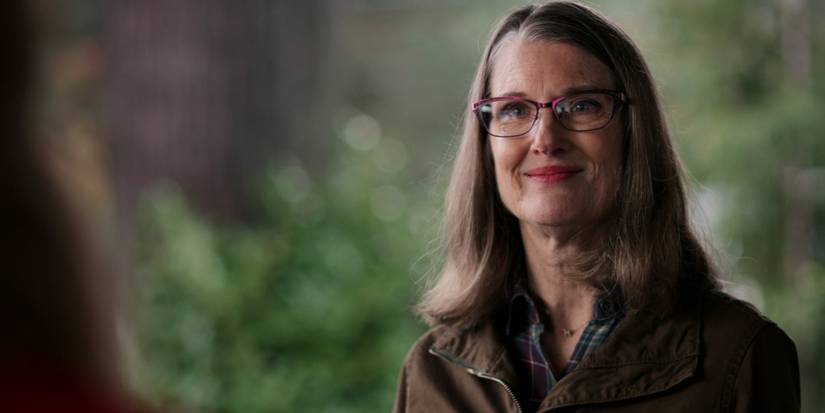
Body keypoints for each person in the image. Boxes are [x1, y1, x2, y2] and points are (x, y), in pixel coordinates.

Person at [392, 2, 800, 412]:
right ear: (486, 144)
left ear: (633, 134)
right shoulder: (432, 373)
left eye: (582, 105)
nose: (545, 139)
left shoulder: (739, 356)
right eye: (514, 110)